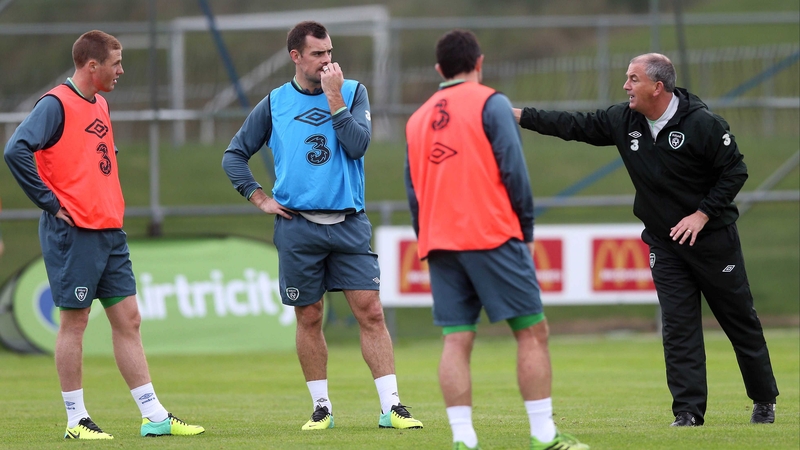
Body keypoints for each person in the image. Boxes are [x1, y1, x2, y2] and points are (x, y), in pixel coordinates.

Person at [513, 53, 779, 427]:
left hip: (713, 242)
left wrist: (702, 214)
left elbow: (735, 170)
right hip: (664, 245)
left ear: (657, 87)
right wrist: (516, 115)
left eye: (633, 79)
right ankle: (688, 412)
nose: (626, 86)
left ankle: (764, 400)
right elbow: (573, 125)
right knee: (678, 329)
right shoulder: (624, 120)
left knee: (740, 322)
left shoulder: (702, 124)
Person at [222, 20, 423, 432]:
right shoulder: (275, 102)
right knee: (309, 316)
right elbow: (234, 155)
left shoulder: (352, 92)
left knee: (371, 311)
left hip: (349, 223)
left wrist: (335, 98)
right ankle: (321, 408)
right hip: (298, 228)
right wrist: (259, 198)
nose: (327, 60)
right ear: (296, 56)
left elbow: (358, 145)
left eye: (329, 52)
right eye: (318, 54)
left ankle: (392, 407)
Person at [4, 30, 204, 440]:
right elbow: (15, 149)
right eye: (116, 63)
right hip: (74, 232)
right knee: (74, 321)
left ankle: (154, 416)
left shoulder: (102, 104)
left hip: (109, 230)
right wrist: (49, 202)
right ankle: (76, 420)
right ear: (92, 65)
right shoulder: (55, 104)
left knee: (129, 319)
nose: (121, 70)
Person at [405, 29, 589, 450]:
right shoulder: (492, 103)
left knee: (456, 339)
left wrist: (425, 240)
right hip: (491, 234)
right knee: (531, 332)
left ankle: (463, 439)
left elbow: (413, 191)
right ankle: (543, 434)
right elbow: (514, 171)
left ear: (439, 69)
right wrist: (526, 231)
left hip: (440, 241)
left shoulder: (416, 119)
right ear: (479, 63)